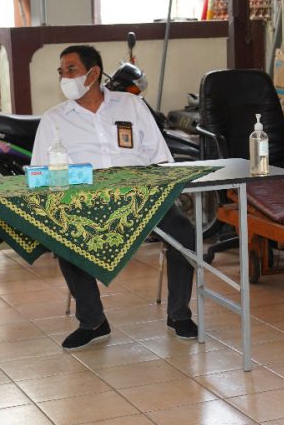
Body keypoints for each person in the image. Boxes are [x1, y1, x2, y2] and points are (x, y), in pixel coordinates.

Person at [31, 44, 199, 350]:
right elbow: (41, 173)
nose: (64, 78)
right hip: (85, 202)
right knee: (64, 238)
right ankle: (93, 321)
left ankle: (179, 314)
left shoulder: (132, 105)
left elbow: (160, 158)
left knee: (184, 234)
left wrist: (159, 192)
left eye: (71, 70)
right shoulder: (54, 118)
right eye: (61, 72)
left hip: (141, 197)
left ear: (94, 73)